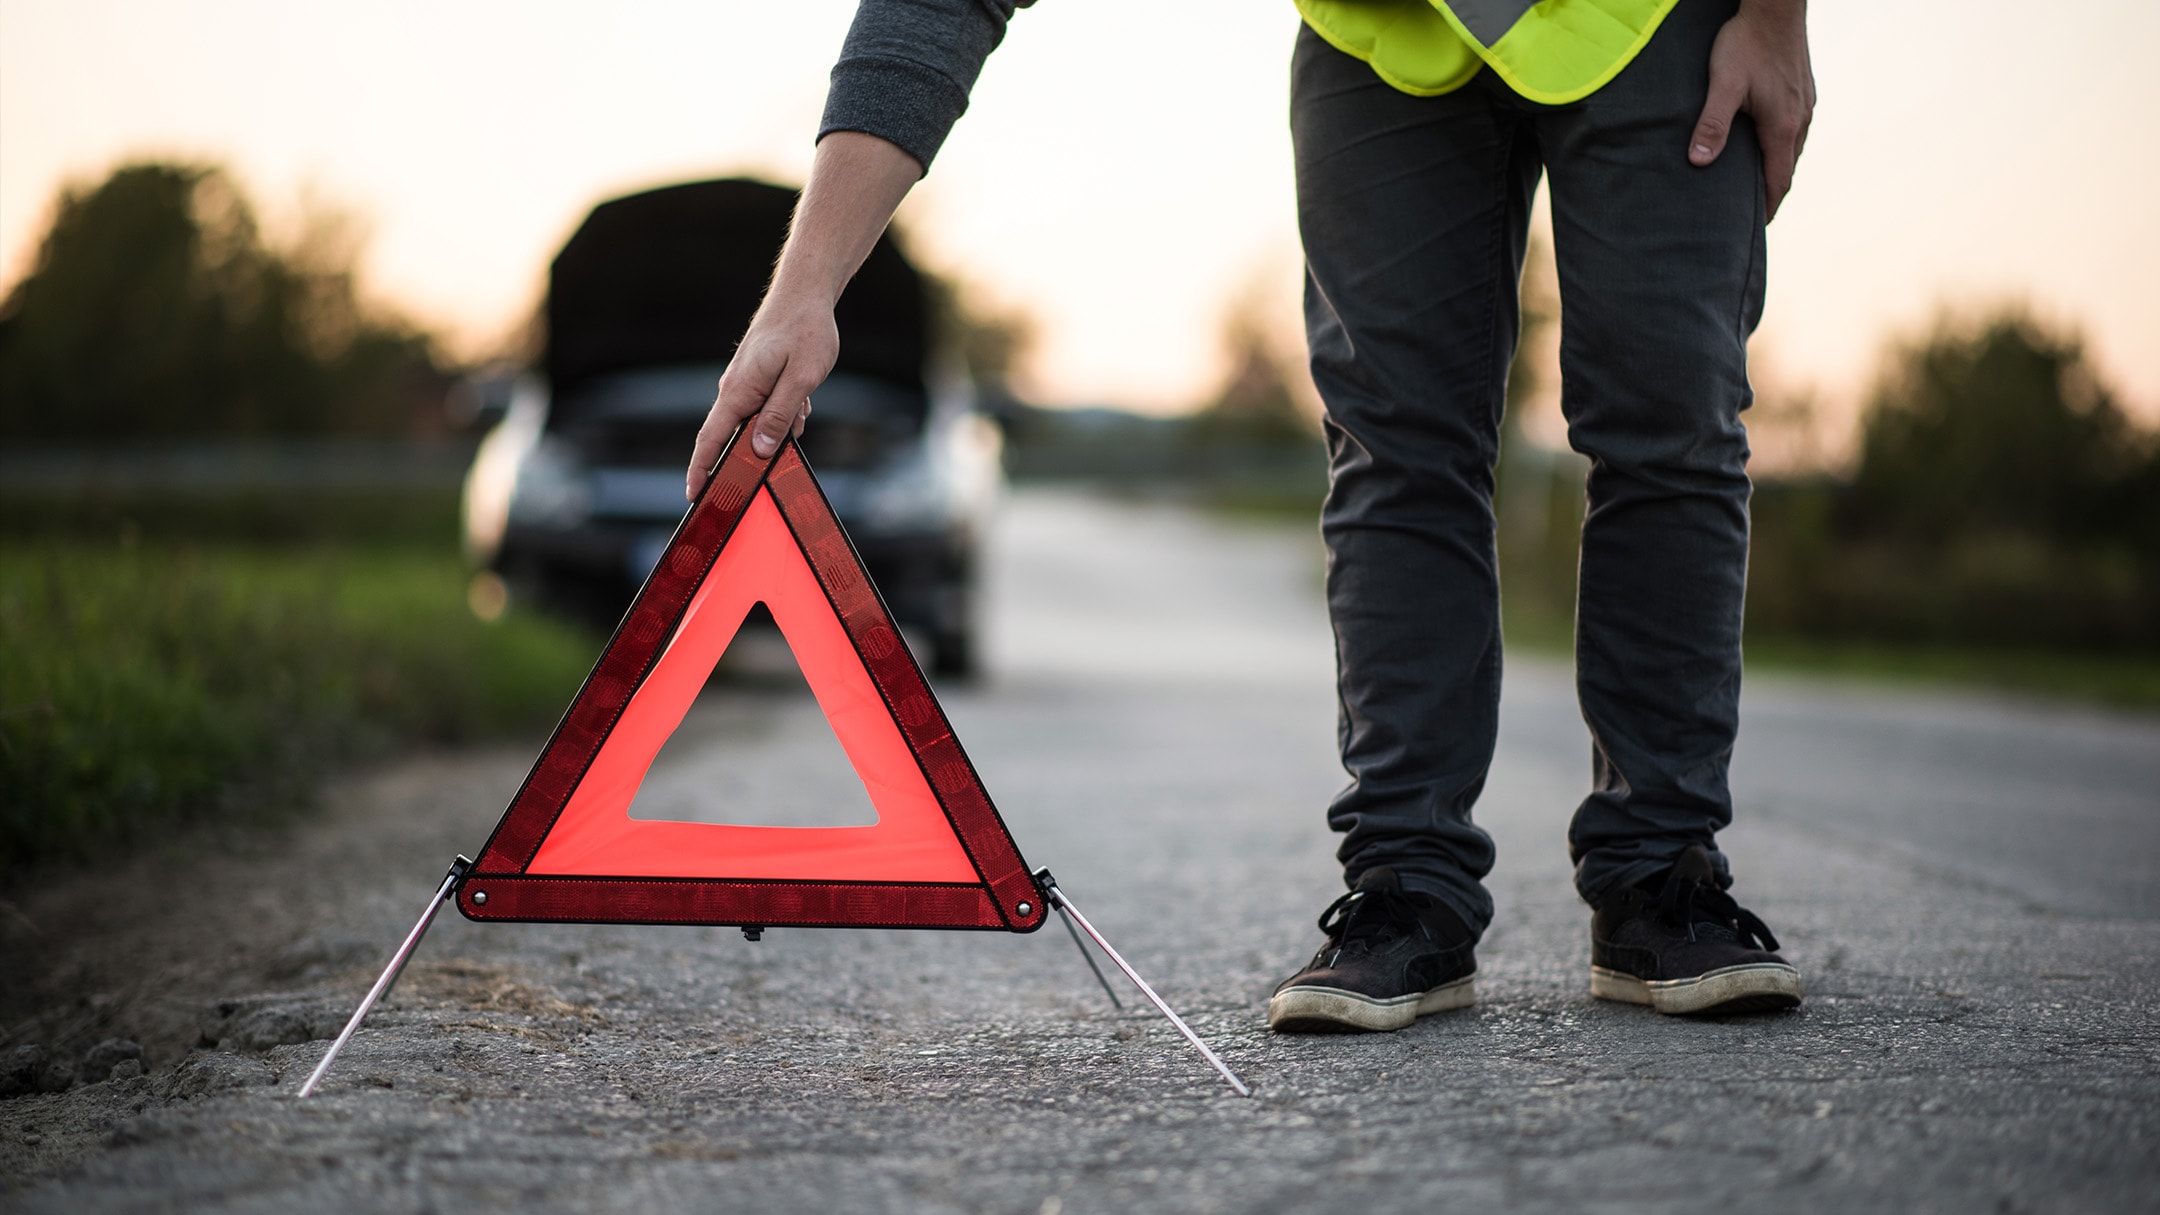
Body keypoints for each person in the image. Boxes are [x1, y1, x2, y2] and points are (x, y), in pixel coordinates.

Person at [686, 0, 1815, 1031]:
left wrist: (1774, 15)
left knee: (1669, 419)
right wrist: (804, 293)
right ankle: (1407, 886)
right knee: (1398, 445)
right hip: (1388, 38)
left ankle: (1662, 874)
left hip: (1652, 22)